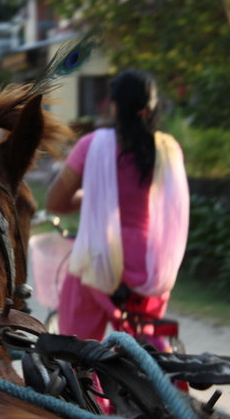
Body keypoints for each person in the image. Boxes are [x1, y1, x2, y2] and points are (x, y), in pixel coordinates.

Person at [45, 69, 190, 344]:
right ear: (152, 107)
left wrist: (96, 198)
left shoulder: (92, 145)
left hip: (98, 256)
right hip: (146, 262)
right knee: (147, 341)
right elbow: (171, 209)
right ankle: (162, 381)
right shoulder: (168, 151)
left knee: (77, 347)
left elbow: (55, 201)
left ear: (113, 105)